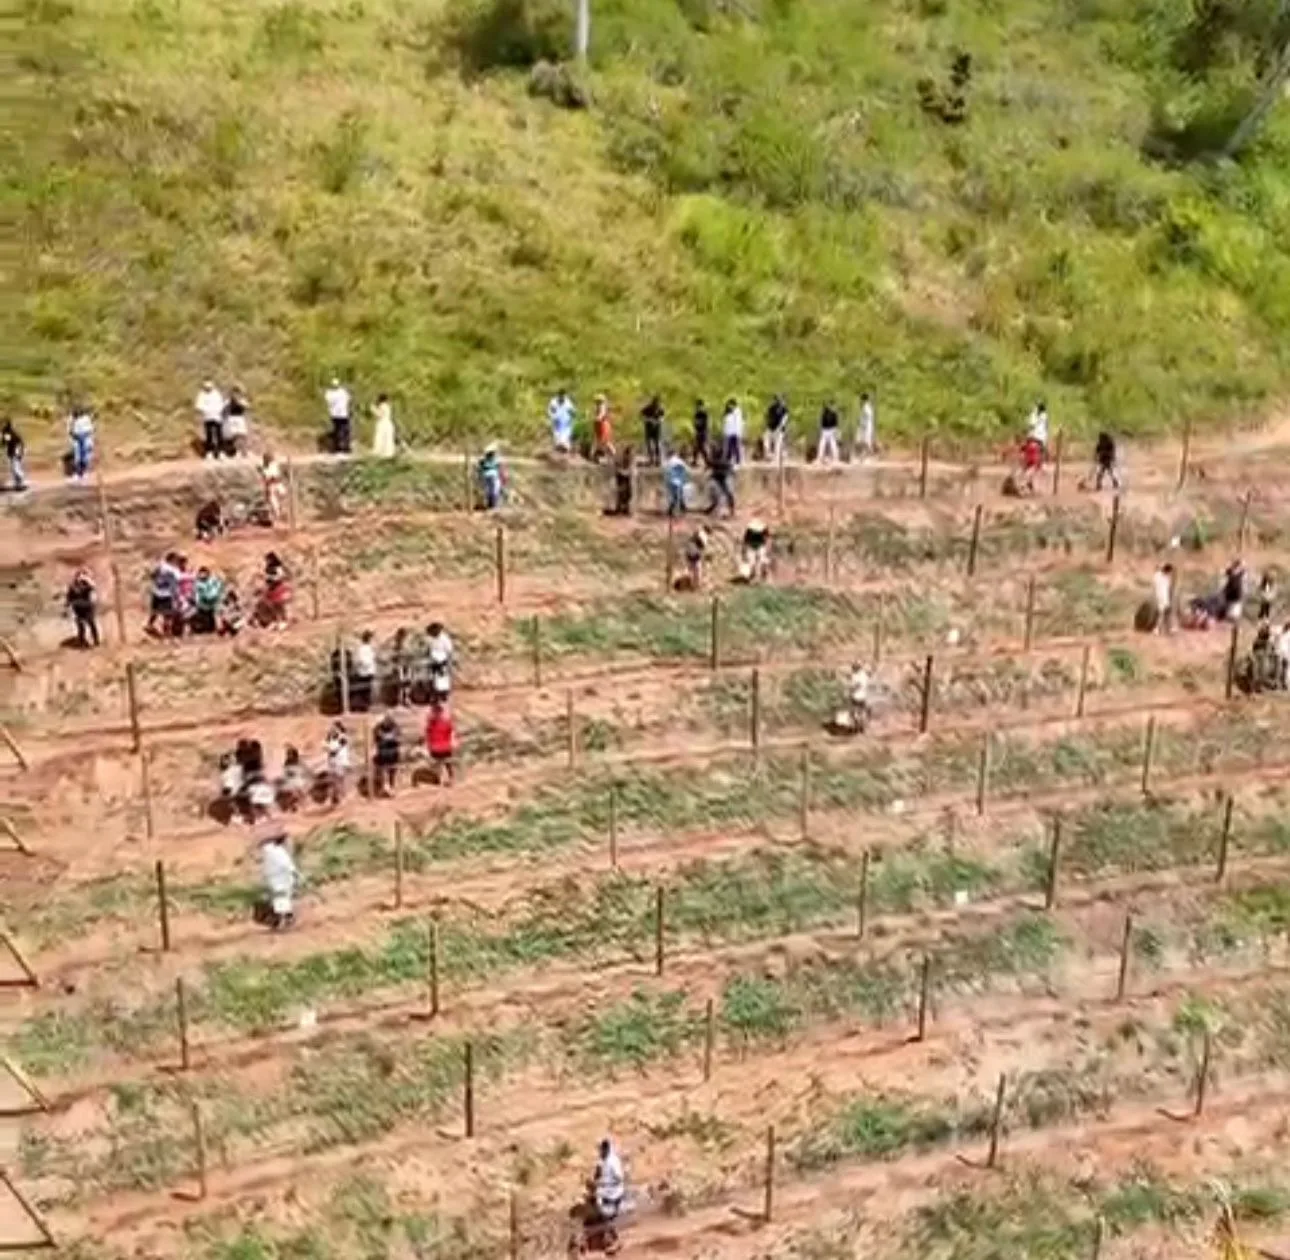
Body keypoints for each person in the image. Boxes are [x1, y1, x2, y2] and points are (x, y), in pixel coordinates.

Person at [589, 1137, 626, 1252]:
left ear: (606, 1149)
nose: (599, 1152)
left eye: (601, 1150)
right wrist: (594, 1180)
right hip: (604, 1192)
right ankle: (603, 1237)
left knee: (606, 1216)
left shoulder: (613, 1162)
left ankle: (616, 1240)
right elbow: (597, 1172)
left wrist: (603, 1183)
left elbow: (619, 1179)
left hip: (613, 1193)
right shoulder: (602, 1160)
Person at [259, 832, 301, 931]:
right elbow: (287, 865)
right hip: (280, 878)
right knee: (282, 899)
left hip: (278, 878)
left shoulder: (272, 851)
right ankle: (285, 919)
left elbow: (284, 864)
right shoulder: (277, 852)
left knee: (280, 899)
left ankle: (283, 920)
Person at [147, 553, 181, 637]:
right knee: (167, 614)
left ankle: (149, 624)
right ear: (172, 559)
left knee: (155, 611)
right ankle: (167, 632)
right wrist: (177, 596)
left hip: (157, 591)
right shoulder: (174, 570)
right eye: (176, 560)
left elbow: (152, 575)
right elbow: (174, 584)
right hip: (166, 594)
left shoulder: (160, 566)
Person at [65, 568, 99, 648]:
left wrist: (86, 579)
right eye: (78, 576)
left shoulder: (87, 584)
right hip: (78, 609)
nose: (79, 578)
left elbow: (93, 587)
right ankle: (81, 641)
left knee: (91, 623)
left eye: (81, 575)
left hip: (88, 608)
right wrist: (67, 606)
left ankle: (96, 640)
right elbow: (69, 597)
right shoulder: (73, 586)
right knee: (80, 625)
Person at [425, 702, 456, 784]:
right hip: (438, 747)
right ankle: (442, 778)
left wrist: (452, 742)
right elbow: (428, 735)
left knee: (445, 764)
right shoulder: (431, 724)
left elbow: (451, 732)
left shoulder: (442, 723)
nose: (434, 714)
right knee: (441, 764)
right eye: (433, 712)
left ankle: (448, 778)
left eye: (435, 712)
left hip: (441, 747)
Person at [425, 621, 454, 705]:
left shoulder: (445, 639)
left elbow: (449, 651)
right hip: (433, 661)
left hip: (443, 661)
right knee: (434, 679)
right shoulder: (430, 639)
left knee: (443, 679)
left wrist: (448, 662)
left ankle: (443, 696)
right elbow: (429, 650)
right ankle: (435, 696)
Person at [372, 712, 401, 796]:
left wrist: (387, 737)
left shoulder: (395, 727)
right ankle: (386, 788)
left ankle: (390, 788)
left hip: (391, 753)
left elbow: (397, 739)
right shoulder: (378, 729)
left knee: (391, 771)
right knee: (385, 771)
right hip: (384, 753)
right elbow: (376, 738)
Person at [706, 440, 736, 518]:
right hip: (719, 477)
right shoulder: (718, 460)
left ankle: (730, 510)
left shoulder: (717, 461)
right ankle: (729, 510)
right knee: (724, 494)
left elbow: (730, 470)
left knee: (727, 494)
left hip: (723, 477)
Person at [196, 380, 225, 459]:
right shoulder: (201, 395)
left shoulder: (216, 394)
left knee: (219, 434)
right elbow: (199, 406)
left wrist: (218, 411)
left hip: (217, 416)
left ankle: (221, 451)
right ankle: (209, 452)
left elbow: (221, 404)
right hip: (207, 417)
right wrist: (206, 411)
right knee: (209, 435)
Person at [262, 552, 291, 630]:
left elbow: (281, 576)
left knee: (280, 605)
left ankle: (283, 621)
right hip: (271, 588)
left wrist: (271, 577)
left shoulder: (278, 567)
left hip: (278, 587)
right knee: (272, 605)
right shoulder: (267, 568)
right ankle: (275, 620)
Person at [324, 721, 351, 804]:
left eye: (334, 727)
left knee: (340, 780)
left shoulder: (342, 737)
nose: (332, 729)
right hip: (332, 761)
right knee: (333, 780)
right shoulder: (330, 737)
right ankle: (335, 797)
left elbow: (335, 749)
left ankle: (343, 797)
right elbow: (324, 745)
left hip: (340, 761)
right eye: (332, 727)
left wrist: (329, 748)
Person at [193, 566, 224, 635]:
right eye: (201, 573)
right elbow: (197, 594)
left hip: (214, 601)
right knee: (206, 616)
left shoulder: (213, 580)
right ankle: (209, 629)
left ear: (208, 573)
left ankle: (220, 629)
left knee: (217, 614)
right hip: (204, 603)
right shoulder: (198, 583)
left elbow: (219, 587)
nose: (203, 575)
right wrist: (197, 602)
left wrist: (219, 595)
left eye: (204, 573)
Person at [277, 745, 310, 810]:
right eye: (288, 754)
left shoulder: (297, 761)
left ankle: (302, 803)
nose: (289, 756)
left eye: (290, 754)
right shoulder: (287, 762)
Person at [352, 630, 378, 711]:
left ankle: (364, 706)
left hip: (364, 671)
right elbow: (364, 660)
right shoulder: (365, 649)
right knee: (365, 689)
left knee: (365, 689)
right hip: (366, 671)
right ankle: (363, 706)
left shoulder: (363, 649)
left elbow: (358, 660)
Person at [325, 376, 352, 454]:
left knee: (337, 430)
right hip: (342, 414)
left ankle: (338, 447)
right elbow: (348, 400)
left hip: (335, 414)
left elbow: (329, 402)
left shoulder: (329, 393)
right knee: (344, 431)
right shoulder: (343, 392)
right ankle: (344, 447)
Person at [740, 518, 771, 583]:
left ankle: (762, 576)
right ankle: (752, 577)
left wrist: (768, 549)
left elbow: (768, 538)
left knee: (762, 562)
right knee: (752, 563)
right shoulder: (749, 531)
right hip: (751, 546)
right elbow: (745, 540)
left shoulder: (764, 529)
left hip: (761, 546)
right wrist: (744, 550)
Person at [68, 405, 95, 480]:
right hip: (76, 438)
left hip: (85, 437)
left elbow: (90, 429)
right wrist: (72, 436)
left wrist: (89, 438)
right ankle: (78, 473)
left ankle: (85, 472)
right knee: (77, 456)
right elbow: (69, 429)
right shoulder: (72, 419)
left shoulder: (86, 418)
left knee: (86, 456)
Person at [260, 451, 287, 525]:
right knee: (274, 503)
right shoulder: (265, 467)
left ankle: (281, 511)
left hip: (277, 483)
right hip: (271, 485)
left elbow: (277, 475)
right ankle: (277, 517)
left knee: (283, 495)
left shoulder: (274, 465)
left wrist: (273, 478)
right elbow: (266, 478)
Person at [222, 386, 250, 457]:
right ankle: (232, 451)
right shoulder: (228, 401)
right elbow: (223, 408)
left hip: (239, 418)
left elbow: (247, 406)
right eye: (234, 393)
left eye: (237, 393)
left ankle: (243, 451)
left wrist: (239, 403)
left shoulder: (242, 400)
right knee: (232, 435)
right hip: (231, 418)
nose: (235, 394)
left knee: (242, 435)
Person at [478, 443, 505, 510]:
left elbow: (479, 469)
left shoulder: (483, 461)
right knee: (494, 491)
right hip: (492, 477)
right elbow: (500, 470)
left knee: (489, 491)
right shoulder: (495, 461)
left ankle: (491, 505)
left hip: (487, 477)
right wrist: (503, 477)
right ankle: (493, 506)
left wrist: (479, 476)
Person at [390, 627, 413, 707]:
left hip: (407, 664)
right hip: (401, 665)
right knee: (401, 683)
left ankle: (406, 699)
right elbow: (394, 656)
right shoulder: (397, 644)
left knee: (407, 683)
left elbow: (410, 654)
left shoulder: (407, 644)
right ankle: (400, 700)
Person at [763, 394, 789, 464]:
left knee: (778, 444)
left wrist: (780, 428)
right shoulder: (772, 408)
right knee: (767, 442)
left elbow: (784, 421)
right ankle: (770, 455)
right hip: (771, 428)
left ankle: (776, 459)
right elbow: (767, 417)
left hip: (778, 429)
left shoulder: (784, 410)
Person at [548, 390, 575, 455]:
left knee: (565, 437)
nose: (562, 397)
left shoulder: (568, 402)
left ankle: (565, 450)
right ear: (558, 395)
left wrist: (573, 417)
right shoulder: (554, 401)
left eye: (564, 396)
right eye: (561, 396)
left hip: (566, 422)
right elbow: (551, 410)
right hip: (557, 421)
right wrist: (553, 417)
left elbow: (572, 411)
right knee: (557, 436)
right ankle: (559, 451)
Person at [663, 449, 689, 517]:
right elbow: (686, 470)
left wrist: (666, 482)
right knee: (679, 494)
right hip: (680, 479)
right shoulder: (680, 461)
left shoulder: (668, 462)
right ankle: (682, 508)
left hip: (672, 480)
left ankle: (672, 510)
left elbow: (666, 472)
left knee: (675, 496)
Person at [683, 525, 710, 590]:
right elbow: (702, 546)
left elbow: (691, 541)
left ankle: (690, 582)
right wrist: (703, 555)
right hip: (694, 553)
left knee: (690, 568)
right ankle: (696, 585)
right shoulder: (703, 535)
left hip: (689, 551)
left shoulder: (698, 532)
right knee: (697, 569)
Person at [641, 394, 665, 466]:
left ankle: (658, 459)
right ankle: (651, 459)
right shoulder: (648, 408)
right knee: (649, 444)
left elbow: (662, 418)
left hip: (657, 428)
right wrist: (649, 420)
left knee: (657, 443)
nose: (656, 405)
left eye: (657, 403)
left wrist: (658, 421)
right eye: (655, 403)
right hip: (648, 428)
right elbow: (642, 416)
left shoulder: (660, 409)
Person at [3, 421, 26, 491]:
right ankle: (18, 484)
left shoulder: (8, 432)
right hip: (15, 450)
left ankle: (20, 484)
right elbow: (5, 442)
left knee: (15, 468)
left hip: (16, 450)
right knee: (15, 467)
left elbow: (6, 442)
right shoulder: (9, 432)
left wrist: (19, 452)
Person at [611, 446, 634, 516]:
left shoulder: (631, 460)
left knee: (628, 494)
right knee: (621, 493)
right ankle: (619, 508)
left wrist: (625, 472)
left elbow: (631, 470)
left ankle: (626, 509)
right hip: (621, 478)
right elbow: (617, 469)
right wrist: (622, 472)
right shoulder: (620, 459)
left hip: (626, 478)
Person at [816, 400, 841, 465]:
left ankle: (832, 458)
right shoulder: (830, 413)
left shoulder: (829, 413)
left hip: (828, 430)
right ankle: (822, 458)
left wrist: (835, 430)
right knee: (827, 444)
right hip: (827, 430)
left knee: (828, 444)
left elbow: (834, 423)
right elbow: (835, 423)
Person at [1152, 563, 1174, 635]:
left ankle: (1169, 628)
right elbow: (1167, 588)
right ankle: (1157, 629)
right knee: (1162, 615)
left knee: (1167, 613)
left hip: (1162, 597)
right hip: (1163, 598)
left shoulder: (1158, 576)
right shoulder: (1164, 578)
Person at [371, 393, 396, 458]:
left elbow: (380, 415)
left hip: (383, 424)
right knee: (388, 439)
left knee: (380, 438)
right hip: (388, 424)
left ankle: (380, 452)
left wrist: (373, 409)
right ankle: (388, 453)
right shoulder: (387, 406)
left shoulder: (382, 406)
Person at [721, 398, 744, 466]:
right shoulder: (727, 413)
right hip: (728, 433)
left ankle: (738, 462)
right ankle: (728, 461)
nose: (729, 406)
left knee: (736, 447)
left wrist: (738, 432)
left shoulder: (737, 411)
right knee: (729, 448)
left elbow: (738, 423)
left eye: (730, 405)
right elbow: (725, 422)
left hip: (735, 432)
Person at [592, 395, 615, 463]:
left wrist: (597, 418)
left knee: (604, 441)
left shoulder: (603, 407)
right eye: (597, 401)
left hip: (603, 425)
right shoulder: (598, 407)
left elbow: (601, 415)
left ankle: (612, 454)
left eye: (599, 401)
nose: (598, 402)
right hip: (599, 425)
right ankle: (601, 456)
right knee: (600, 441)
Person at [855, 392, 876, 458]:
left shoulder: (866, 407)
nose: (860, 401)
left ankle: (870, 453)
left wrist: (863, 423)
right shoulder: (865, 407)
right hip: (863, 426)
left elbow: (869, 417)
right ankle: (864, 454)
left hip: (866, 426)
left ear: (864, 400)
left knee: (866, 441)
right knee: (861, 441)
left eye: (861, 399)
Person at [691, 399, 710, 467]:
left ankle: (707, 462)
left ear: (702, 406)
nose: (698, 407)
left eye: (699, 406)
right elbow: (695, 423)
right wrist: (696, 429)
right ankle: (695, 461)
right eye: (697, 406)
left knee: (702, 447)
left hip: (703, 432)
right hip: (698, 432)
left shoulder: (704, 414)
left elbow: (706, 424)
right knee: (696, 448)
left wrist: (703, 430)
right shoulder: (696, 414)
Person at [1277, 621, 1290, 690]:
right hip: (1285, 653)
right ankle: (1284, 684)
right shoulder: (1287, 634)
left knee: (1283, 668)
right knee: (1285, 669)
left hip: (1282, 653)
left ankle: (1283, 683)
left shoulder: (1283, 633)